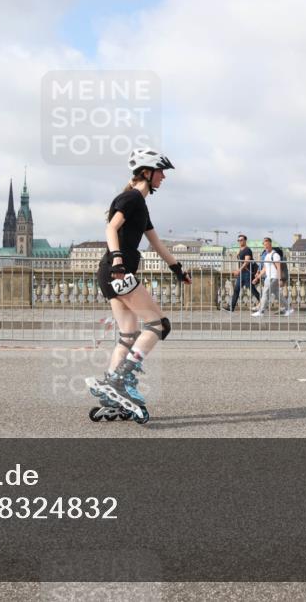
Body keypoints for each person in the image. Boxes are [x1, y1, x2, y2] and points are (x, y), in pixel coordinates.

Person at [87, 148, 191, 424]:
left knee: (128, 335)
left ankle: (111, 389)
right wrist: (119, 261)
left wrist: (177, 268)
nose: (163, 178)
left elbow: (156, 243)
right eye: (161, 172)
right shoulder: (131, 197)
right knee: (158, 325)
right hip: (118, 271)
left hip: (112, 272)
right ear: (147, 172)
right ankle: (122, 379)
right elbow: (111, 228)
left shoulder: (140, 204)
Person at [251, 237, 294, 317]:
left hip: (273, 278)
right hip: (269, 277)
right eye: (264, 245)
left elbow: (279, 267)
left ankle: (261, 311)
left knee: (265, 293)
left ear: (270, 244)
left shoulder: (275, 255)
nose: (265, 246)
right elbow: (264, 268)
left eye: (267, 244)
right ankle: (289, 309)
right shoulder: (267, 255)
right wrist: (257, 278)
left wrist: (280, 279)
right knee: (278, 295)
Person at [223, 234, 259, 311]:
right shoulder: (240, 250)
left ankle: (263, 303)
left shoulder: (247, 250)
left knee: (252, 289)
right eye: (238, 240)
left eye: (241, 240)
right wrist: (238, 270)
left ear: (245, 240)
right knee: (236, 289)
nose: (240, 241)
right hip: (242, 273)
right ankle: (231, 307)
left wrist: (238, 270)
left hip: (247, 273)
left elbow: (246, 262)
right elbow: (240, 262)